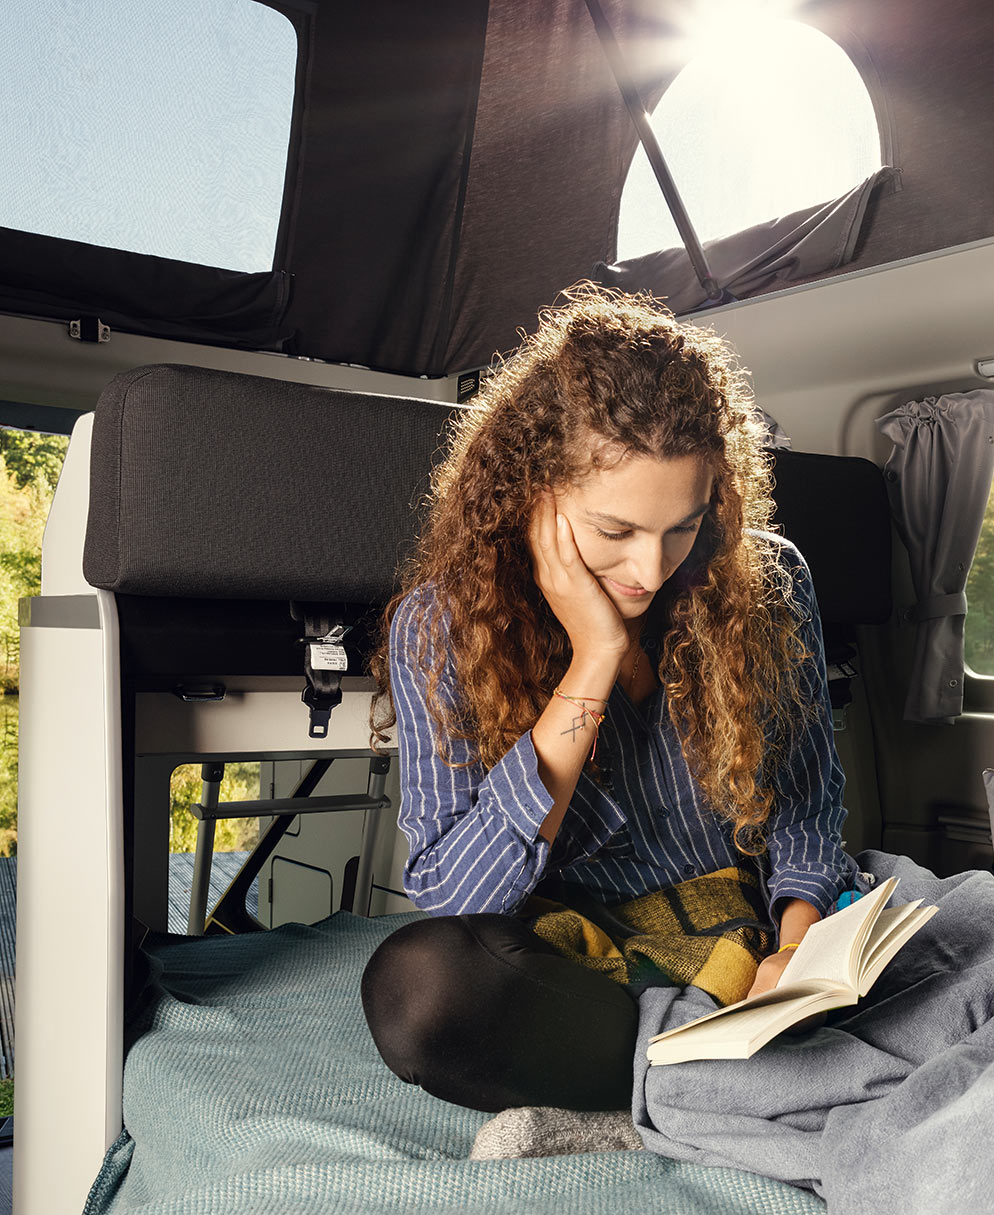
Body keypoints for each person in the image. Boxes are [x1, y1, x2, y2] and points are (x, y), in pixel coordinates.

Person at [360, 284, 857, 1113]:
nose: (650, 570)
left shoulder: (769, 583)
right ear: (533, 491)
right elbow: (457, 896)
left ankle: (704, 1081)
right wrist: (594, 656)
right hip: (583, 961)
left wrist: (796, 954)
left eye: (682, 526)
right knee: (423, 991)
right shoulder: (436, 630)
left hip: (754, 929)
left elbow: (807, 803)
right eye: (614, 531)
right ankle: (706, 1076)